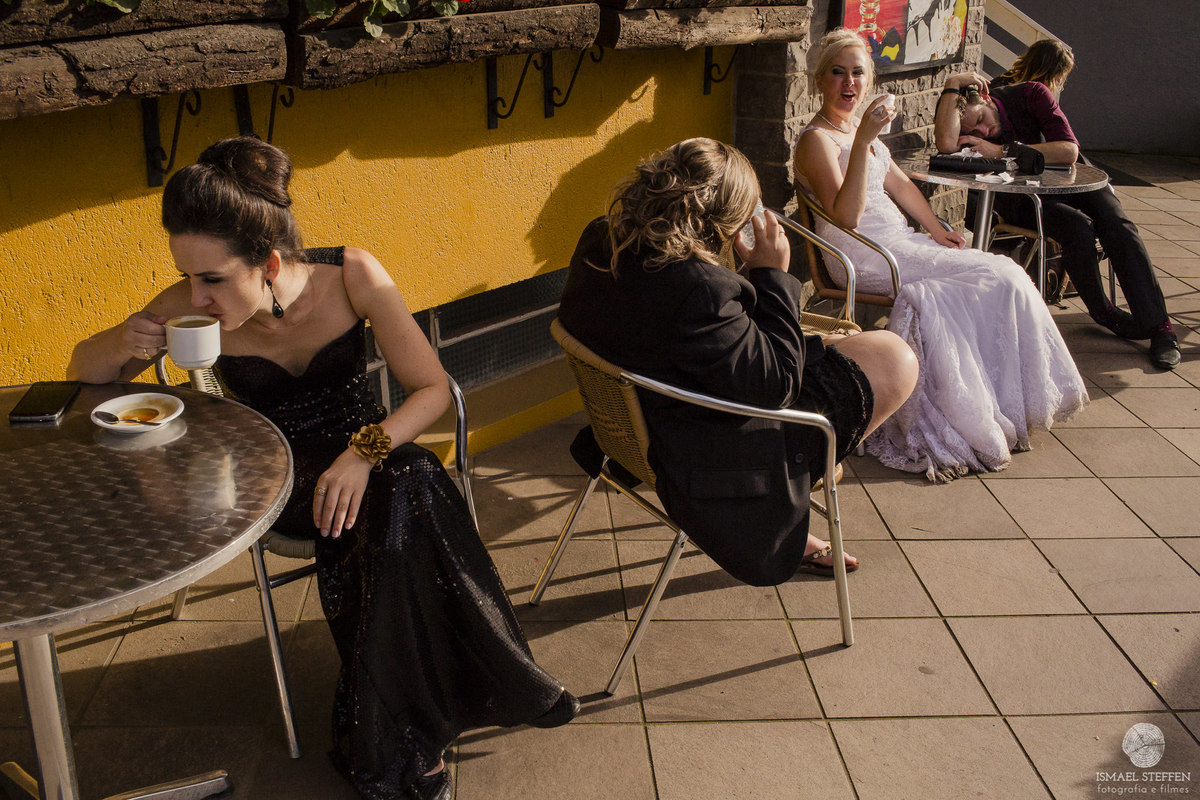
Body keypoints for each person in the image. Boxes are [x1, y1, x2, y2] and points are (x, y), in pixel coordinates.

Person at [68, 137, 577, 800]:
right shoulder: (187, 303)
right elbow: (85, 375)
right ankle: (468, 699)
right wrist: (123, 339)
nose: (198, 295)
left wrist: (360, 455)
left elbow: (431, 389)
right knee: (409, 491)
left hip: (365, 453)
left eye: (214, 279)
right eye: (189, 276)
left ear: (270, 262)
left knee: (408, 482)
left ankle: (401, 731)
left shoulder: (354, 275)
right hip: (271, 471)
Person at [558, 137, 919, 585]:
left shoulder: (601, 238)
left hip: (641, 422)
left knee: (851, 346)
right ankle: (789, 495)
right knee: (896, 359)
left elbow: (679, 330)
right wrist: (772, 275)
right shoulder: (700, 288)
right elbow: (777, 387)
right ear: (722, 222)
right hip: (704, 451)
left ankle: (797, 496)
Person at [793, 28, 1088, 481]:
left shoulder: (857, 130)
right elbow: (847, 217)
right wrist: (863, 141)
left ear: (868, 80)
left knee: (1002, 273)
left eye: (857, 73)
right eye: (838, 73)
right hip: (863, 255)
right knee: (992, 276)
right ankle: (953, 413)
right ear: (820, 80)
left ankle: (996, 402)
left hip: (900, 241)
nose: (848, 83)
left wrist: (936, 229)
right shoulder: (817, 140)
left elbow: (901, 185)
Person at [934, 69, 1181, 369]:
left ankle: (1160, 329)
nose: (984, 133)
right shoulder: (967, 122)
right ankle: (1103, 311)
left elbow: (1068, 150)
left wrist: (1002, 151)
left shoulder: (1031, 95)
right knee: (1076, 228)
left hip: (1073, 178)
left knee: (1117, 224)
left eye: (982, 121)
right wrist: (951, 84)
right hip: (1024, 197)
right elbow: (946, 144)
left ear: (986, 98)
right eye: (974, 132)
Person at [991, 38, 1074, 94]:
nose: (1060, 83)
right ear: (1048, 76)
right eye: (1059, 78)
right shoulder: (1034, 98)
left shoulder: (1006, 79)